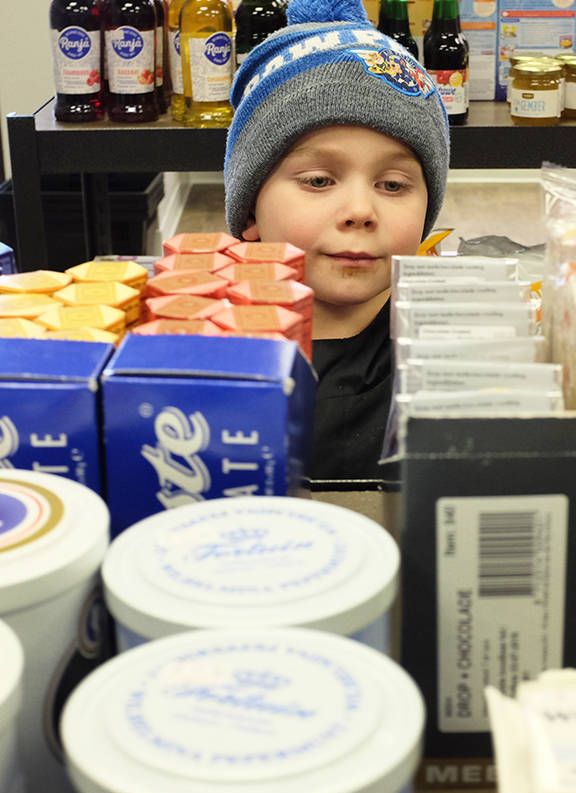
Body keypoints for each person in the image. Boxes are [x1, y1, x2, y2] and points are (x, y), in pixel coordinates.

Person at [223, 0, 450, 481]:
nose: (360, 213)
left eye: (392, 186)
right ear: (249, 214)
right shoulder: (205, 353)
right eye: (319, 181)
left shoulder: (448, 360)